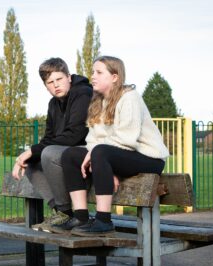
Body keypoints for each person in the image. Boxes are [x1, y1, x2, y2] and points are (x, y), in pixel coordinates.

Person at [50, 56, 169, 236]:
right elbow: (93, 139)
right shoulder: (98, 102)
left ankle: (104, 220)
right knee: (71, 155)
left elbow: (126, 139)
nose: (93, 77)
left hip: (149, 158)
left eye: (99, 72)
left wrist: (99, 157)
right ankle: (81, 216)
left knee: (99, 151)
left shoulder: (130, 97)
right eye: (92, 72)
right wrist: (103, 164)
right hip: (118, 155)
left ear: (115, 77)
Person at [12, 57, 92, 231]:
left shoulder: (83, 93)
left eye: (59, 79)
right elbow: (49, 137)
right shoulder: (53, 104)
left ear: (69, 77)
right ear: (45, 85)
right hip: (66, 154)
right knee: (32, 162)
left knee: (47, 153)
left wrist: (34, 150)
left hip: (88, 152)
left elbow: (75, 135)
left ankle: (66, 213)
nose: (56, 85)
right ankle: (62, 214)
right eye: (50, 82)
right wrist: (29, 154)